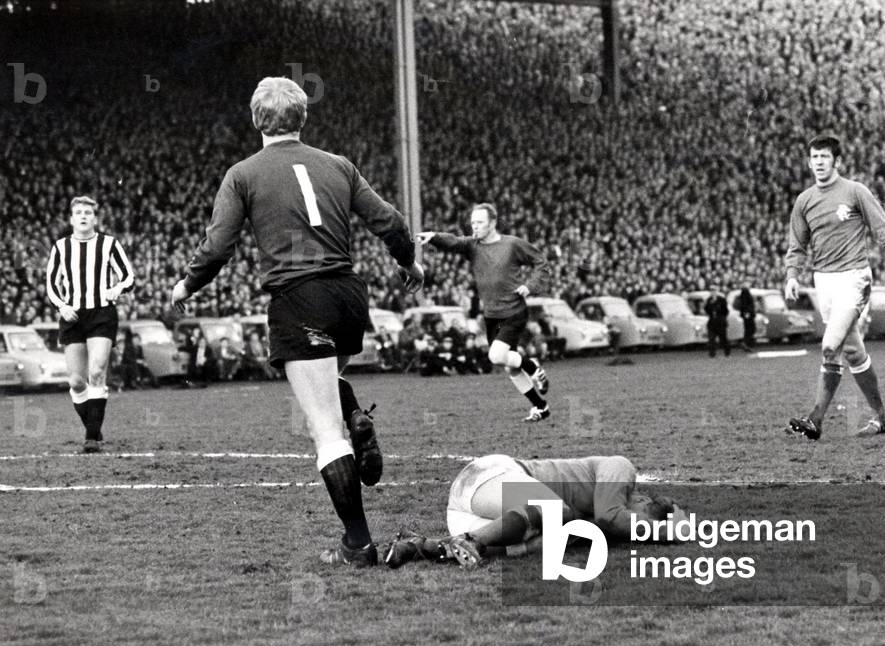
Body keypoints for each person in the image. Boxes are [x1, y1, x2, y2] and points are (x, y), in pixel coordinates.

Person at [170, 77, 424, 568]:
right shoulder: (339, 165)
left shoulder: (243, 173)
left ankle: (358, 543)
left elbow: (219, 244)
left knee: (324, 432)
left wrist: (186, 285)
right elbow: (389, 220)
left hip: (298, 297)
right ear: (302, 117)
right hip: (348, 297)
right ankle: (357, 416)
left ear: (255, 119)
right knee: (333, 385)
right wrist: (409, 263)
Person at [783, 135, 885, 441]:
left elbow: (883, 228)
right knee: (854, 353)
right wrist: (793, 275)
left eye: (824, 157)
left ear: (837, 161)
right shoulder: (804, 201)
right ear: (809, 162)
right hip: (824, 282)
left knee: (830, 346)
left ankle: (815, 418)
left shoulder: (856, 192)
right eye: (814, 157)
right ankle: (882, 418)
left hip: (855, 278)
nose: (818, 162)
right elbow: (797, 243)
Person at [382, 454, 676, 569]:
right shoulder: (621, 467)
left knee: (550, 543)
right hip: (488, 477)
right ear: (643, 502)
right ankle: (472, 542)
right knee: (556, 511)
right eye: (640, 519)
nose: (632, 524)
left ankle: (421, 547)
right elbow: (611, 515)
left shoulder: (597, 527)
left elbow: (610, 522)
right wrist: (670, 530)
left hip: (470, 516)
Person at [417, 204, 553, 422]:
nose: (475, 227)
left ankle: (532, 366)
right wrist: (434, 236)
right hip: (492, 315)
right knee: (509, 366)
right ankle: (541, 407)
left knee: (496, 356)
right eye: (472, 222)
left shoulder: (512, 244)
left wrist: (531, 286)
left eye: (479, 222)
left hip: (514, 311)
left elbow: (541, 262)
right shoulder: (473, 246)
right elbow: (454, 242)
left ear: (492, 223)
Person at [45, 196, 136, 453]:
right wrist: (62, 306)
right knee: (76, 381)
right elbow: (52, 284)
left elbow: (128, 276)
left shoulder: (109, 244)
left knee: (97, 371)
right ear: (72, 219)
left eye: (88, 212)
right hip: (72, 315)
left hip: (101, 314)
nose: (83, 216)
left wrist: (116, 288)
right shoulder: (60, 247)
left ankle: (91, 437)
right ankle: (94, 427)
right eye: (79, 213)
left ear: (94, 219)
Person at [705, 286, 730, 357]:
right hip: (712, 322)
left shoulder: (722, 300)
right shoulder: (709, 300)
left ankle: (727, 352)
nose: (713, 292)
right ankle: (712, 354)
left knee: (723, 339)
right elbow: (707, 310)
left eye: (714, 290)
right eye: (711, 290)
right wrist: (711, 305)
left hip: (720, 322)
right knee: (711, 339)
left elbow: (725, 311)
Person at [737, 285, 757, 351]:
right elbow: (748, 307)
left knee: (748, 330)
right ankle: (746, 343)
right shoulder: (747, 298)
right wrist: (748, 313)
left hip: (747, 316)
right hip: (749, 316)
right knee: (751, 330)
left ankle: (747, 344)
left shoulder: (742, 298)